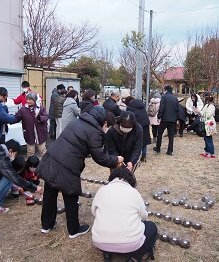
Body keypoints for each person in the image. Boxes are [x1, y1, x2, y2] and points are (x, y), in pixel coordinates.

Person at [36, 106, 124, 238]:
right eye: (108, 126)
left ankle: (46, 225)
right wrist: (116, 159)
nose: (107, 129)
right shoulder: (95, 132)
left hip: (52, 157)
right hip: (68, 165)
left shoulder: (77, 121)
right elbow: (99, 157)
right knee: (71, 196)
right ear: (105, 123)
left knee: (50, 192)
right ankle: (74, 229)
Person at [91, 167, 157, 262]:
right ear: (131, 179)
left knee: (104, 225)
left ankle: (107, 254)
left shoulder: (102, 190)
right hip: (130, 244)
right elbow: (144, 217)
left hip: (100, 242)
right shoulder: (134, 192)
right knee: (151, 227)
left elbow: (94, 212)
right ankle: (134, 259)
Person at [14, 92, 49, 158]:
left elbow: (46, 117)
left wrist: (39, 117)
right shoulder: (23, 109)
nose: (28, 101)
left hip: (40, 133)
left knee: (43, 151)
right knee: (30, 152)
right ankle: (29, 166)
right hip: (29, 133)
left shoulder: (41, 108)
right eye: (27, 99)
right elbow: (16, 118)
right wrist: (7, 119)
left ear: (35, 100)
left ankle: (46, 165)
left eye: (30, 99)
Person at [153, 85, 179, 156]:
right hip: (173, 120)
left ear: (166, 90)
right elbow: (177, 109)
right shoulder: (175, 98)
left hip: (164, 119)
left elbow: (162, 108)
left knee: (160, 133)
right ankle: (170, 151)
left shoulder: (164, 97)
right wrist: (176, 119)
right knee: (171, 136)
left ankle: (158, 148)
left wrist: (159, 116)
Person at [125, 96, 151, 162]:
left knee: (136, 140)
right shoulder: (141, 104)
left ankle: (136, 156)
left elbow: (129, 117)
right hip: (145, 123)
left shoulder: (129, 107)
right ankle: (144, 156)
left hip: (137, 125)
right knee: (144, 140)